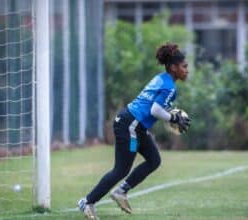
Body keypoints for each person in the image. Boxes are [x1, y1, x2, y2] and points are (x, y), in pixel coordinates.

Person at [78, 43, 191, 220]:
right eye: (184, 66)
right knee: (121, 169)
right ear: (173, 67)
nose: (187, 70)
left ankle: (121, 191)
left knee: (154, 160)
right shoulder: (170, 87)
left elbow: (155, 108)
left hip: (135, 124)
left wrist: (170, 115)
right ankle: (87, 201)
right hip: (130, 125)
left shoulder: (162, 78)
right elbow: (155, 110)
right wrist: (174, 118)